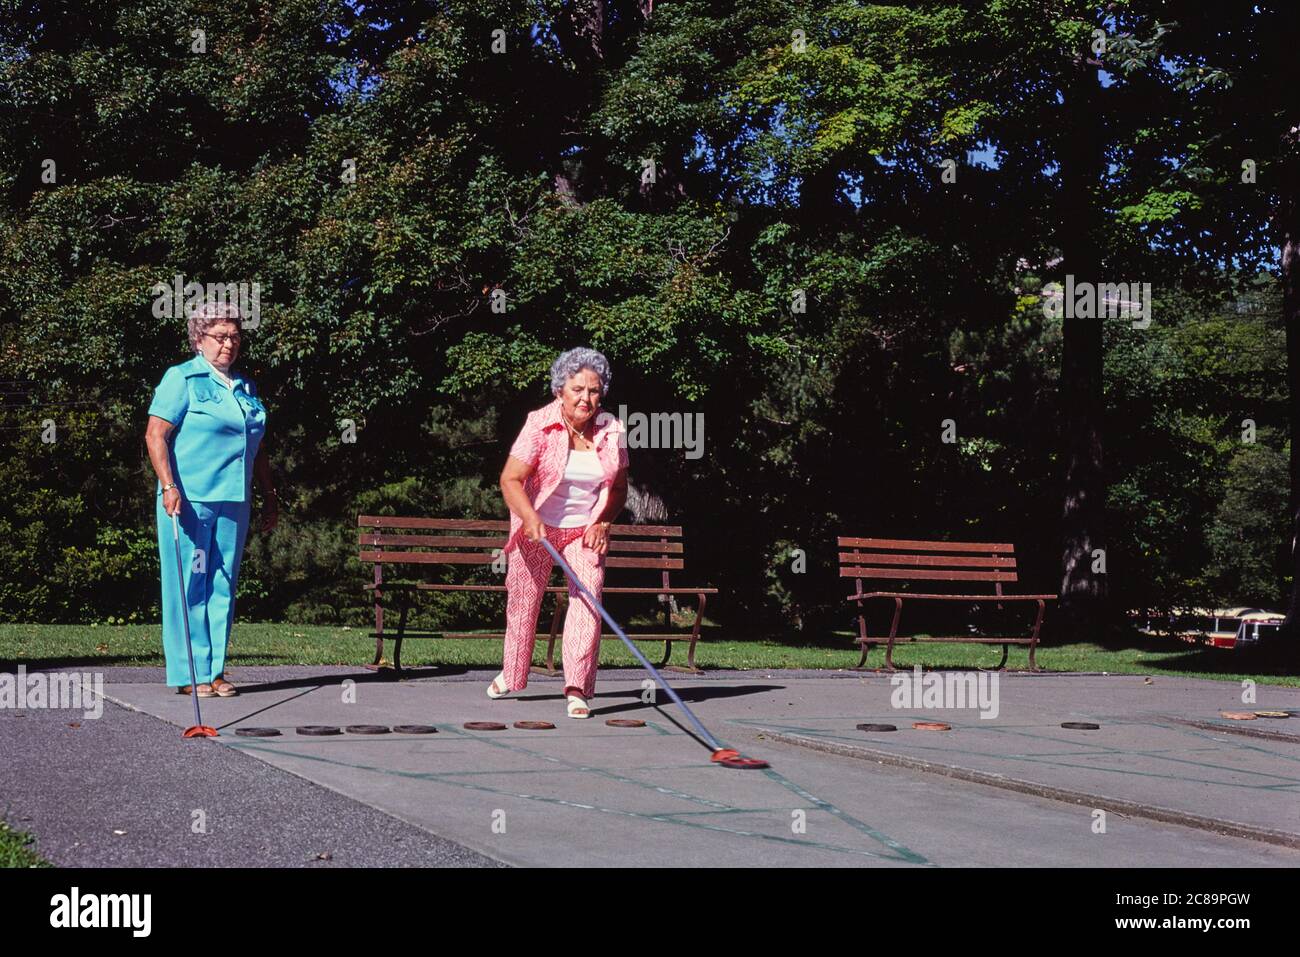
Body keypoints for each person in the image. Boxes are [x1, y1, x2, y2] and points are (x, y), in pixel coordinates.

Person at [144, 302, 277, 697]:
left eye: (235, 336)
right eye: (220, 337)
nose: (228, 344)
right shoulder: (182, 378)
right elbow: (156, 435)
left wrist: (270, 495)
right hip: (189, 500)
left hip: (234, 500)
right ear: (199, 339)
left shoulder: (246, 387)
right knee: (190, 582)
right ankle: (190, 674)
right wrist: (168, 485)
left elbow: (259, 446)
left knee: (222, 584)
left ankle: (215, 671)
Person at [492, 348, 629, 718]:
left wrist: (603, 522)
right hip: (537, 529)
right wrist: (529, 517)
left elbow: (618, 490)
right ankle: (513, 672)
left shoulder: (612, 430)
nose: (586, 398)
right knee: (524, 602)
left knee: (589, 600)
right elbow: (511, 480)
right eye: (578, 389)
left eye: (595, 390)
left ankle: (576, 688)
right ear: (560, 391)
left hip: (584, 532)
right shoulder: (539, 424)